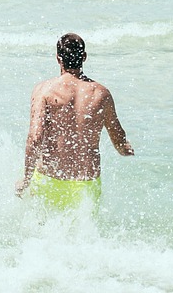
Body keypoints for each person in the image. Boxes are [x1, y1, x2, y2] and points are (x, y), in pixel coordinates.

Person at [18, 32, 133, 209]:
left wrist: (25, 179)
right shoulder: (101, 94)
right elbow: (118, 139)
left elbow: (35, 138)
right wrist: (125, 149)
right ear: (84, 57)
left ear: (58, 59)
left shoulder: (44, 91)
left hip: (50, 179)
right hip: (86, 184)